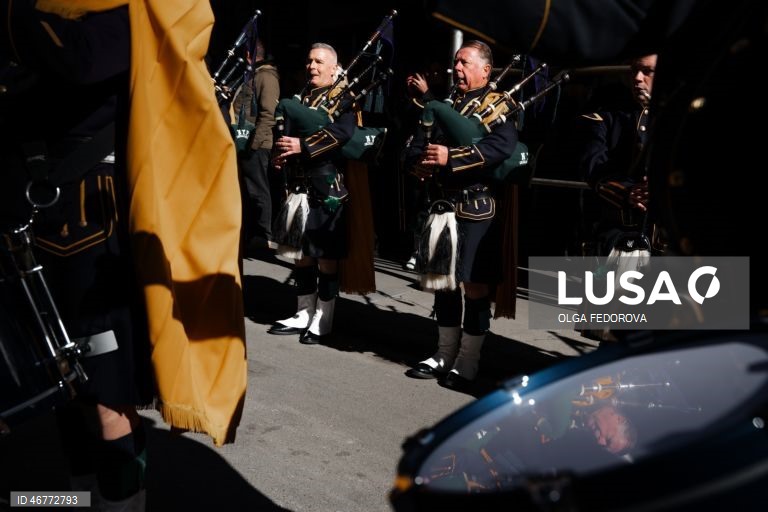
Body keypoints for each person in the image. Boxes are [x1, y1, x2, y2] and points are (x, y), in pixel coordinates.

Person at [1, 1, 247, 508]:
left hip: (92, 227)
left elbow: (81, 58)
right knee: (62, 391)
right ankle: (76, 503)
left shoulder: (141, 11)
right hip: (35, 218)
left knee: (105, 396)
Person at [403, 40, 519, 390]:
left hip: (478, 206)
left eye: (465, 63)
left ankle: (468, 361)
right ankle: (443, 354)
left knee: (475, 285)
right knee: (444, 282)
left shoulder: (499, 104)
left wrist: (451, 158)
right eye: (456, 62)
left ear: (486, 70)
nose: (457, 69)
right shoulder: (445, 103)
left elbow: (501, 147)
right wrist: (418, 164)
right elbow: (417, 143)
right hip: (441, 205)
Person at [267, 43, 357, 345]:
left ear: (334, 67)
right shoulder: (302, 95)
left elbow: (342, 134)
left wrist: (302, 147)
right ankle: (303, 312)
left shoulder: (344, 98)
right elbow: (285, 133)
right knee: (301, 255)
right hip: (299, 185)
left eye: (319, 62)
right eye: (309, 61)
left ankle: (324, 318)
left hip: (327, 186)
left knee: (326, 257)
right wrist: (280, 154)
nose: (312, 66)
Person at [573, 54, 656, 258]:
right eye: (634, 70)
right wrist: (627, 192)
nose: (637, 77)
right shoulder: (608, 116)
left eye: (647, 71)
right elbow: (592, 164)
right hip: (622, 232)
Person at [232, 37, 281, 252]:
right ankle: (252, 233)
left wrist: (254, 145)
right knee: (249, 190)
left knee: (257, 189)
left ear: (249, 55)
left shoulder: (266, 77)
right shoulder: (252, 75)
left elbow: (268, 114)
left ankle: (263, 235)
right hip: (245, 141)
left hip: (256, 144)